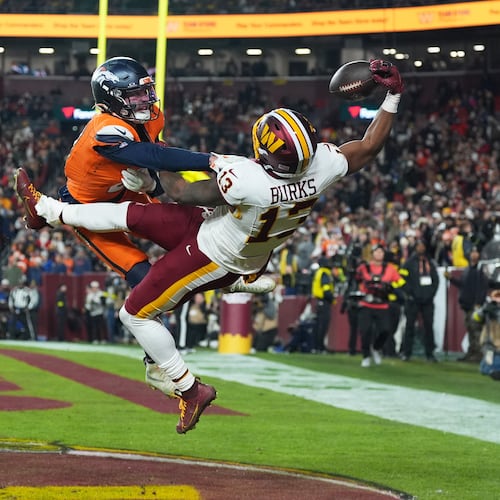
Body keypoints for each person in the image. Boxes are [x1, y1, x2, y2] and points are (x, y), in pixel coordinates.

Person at [17, 58, 404, 432]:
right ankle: (47, 209)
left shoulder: (248, 180)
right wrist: (392, 97)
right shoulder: (323, 166)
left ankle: (189, 387)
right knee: (127, 216)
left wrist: (195, 167)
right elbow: (368, 146)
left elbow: (184, 190)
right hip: (227, 236)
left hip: (213, 254)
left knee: (134, 314)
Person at [14, 56, 272, 394]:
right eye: (134, 96)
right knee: (147, 280)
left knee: (196, 241)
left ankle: (227, 278)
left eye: (146, 92)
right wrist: (209, 160)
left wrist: (152, 187)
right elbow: (153, 158)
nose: (145, 101)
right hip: (88, 207)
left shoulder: (151, 118)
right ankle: (159, 365)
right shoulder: (106, 130)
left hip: (125, 194)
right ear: (111, 100)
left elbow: (156, 165)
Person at [355, 244, 403, 367]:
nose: (379, 255)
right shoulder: (363, 267)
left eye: (381, 252)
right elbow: (356, 280)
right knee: (365, 331)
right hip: (367, 303)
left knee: (386, 330)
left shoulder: (390, 268)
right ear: (372, 254)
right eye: (376, 252)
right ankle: (366, 356)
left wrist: (391, 288)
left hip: (383, 304)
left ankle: (376, 348)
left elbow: (400, 282)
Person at [444, 246, 489, 361]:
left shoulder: (480, 270)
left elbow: (482, 288)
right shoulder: (468, 269)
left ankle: (478, 354)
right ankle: (472, 352)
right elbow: (463, 285)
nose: (473, 255)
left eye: (476, 252)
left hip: (475, 306)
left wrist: (478, 303)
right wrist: (451, 279)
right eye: (472, 252)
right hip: (467, 305)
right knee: (470, 329)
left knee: (476, 330)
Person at [399, 240, 439, 362]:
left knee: (428, 326)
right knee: (410, 326)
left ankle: (430, 353)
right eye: (419, 246)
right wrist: (409, 293)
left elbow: (436, 281)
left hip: (427, 300)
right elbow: (401, 279)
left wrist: (430, 295)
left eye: (423, 246)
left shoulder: (430, 263)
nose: (421, 248)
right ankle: (406, 352)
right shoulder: (408, 263)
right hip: (412, 300)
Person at [311, 255, 335, 354]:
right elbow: (326, 290)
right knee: (323, 325)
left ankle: (317, 347)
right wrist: (332, 298)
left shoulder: (319, 272)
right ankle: (320, 347)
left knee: (318, 325)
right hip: (324, 302)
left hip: (319, 301)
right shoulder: (324, 273)